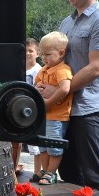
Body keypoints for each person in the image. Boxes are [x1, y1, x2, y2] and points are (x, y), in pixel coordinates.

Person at [39, 0, 99, 193]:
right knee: (69, 173)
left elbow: (95, 68)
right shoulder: (67, 22)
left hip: (87, 109)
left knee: (93, 175)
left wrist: (60, 91)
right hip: (62, 110)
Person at [33, 31, 73, 185]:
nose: (43, 58)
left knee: (54, 145)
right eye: (42, 54)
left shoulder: (62, 70)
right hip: (43, 116)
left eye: (48, 54)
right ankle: (45, 170)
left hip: (56, 116)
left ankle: (52, 172)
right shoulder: (43, 70)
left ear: (61, 53)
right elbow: (36, 86)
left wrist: (47, 103)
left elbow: (65, 89)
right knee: (43, 144)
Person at [23, 38, 44, 180]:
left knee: (34, 143)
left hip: (33, 109)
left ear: (37, 53)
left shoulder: (39, 70)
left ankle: (37, 171)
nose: (27, 53)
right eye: (25, 50)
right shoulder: (19, 68)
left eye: (31, 51)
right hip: (20, 108)